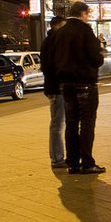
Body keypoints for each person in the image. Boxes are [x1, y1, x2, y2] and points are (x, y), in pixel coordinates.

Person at [50, 0, 106, 174]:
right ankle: (87, 162)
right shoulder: (85, 31)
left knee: (71, 123)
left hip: (66, 85)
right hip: (85, 83)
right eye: (88, 14)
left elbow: (54, 59)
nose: (88, 18)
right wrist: (100, 55)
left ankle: (73, 162)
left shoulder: (60, 33)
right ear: (82, 14)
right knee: (87, 123)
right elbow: (96, 59)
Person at [40, 15, 68, 169]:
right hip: (56, 88)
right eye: (63, 26)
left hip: (54, 87)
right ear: (56, 26)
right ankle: (57, 158)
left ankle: (58, 157)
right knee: (57, 123)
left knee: (58, 122)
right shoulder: (53, 42)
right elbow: (53, 66)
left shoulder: (49, 41)